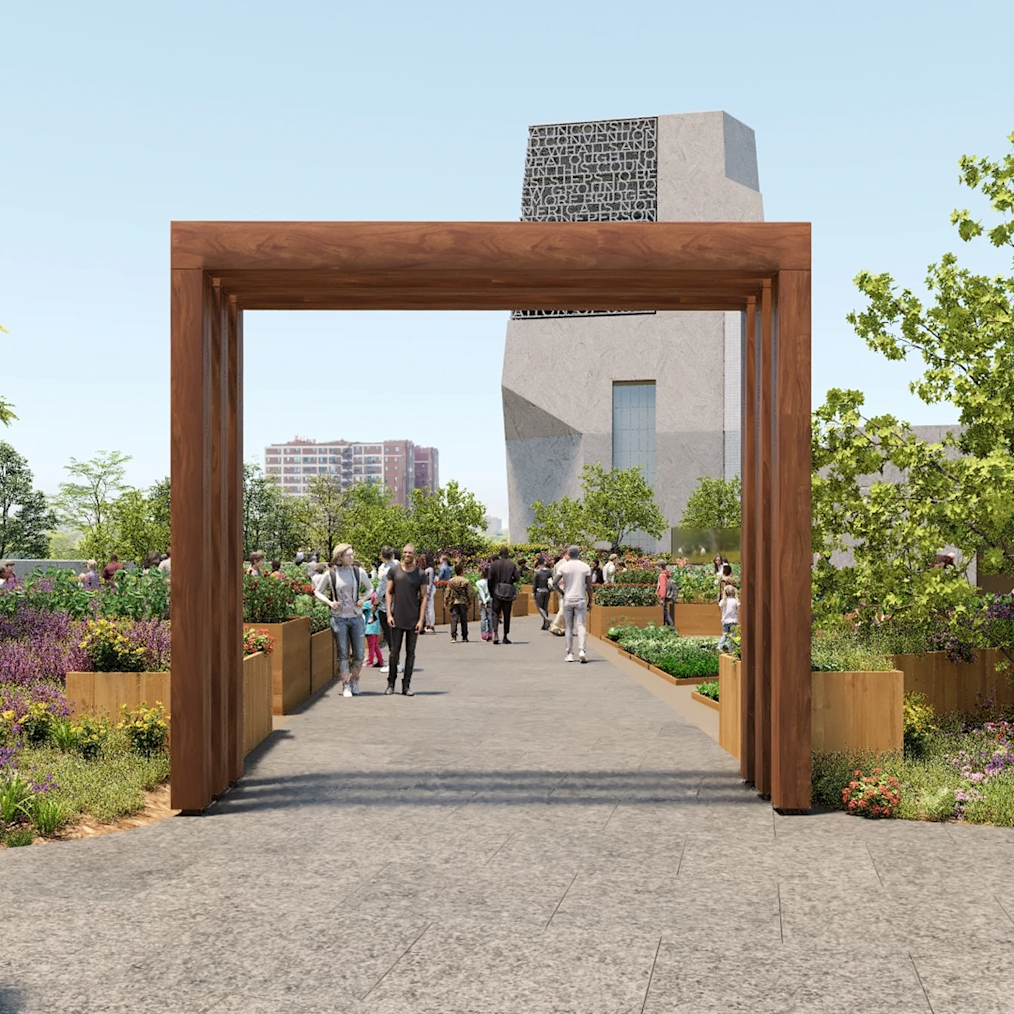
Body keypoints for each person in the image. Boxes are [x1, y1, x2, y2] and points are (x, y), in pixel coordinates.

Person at [314, 543, 372, 697]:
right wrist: (330, 602)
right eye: (349, 555)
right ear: (340, 556)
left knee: (359, 653)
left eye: (352, 554)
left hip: (356, 616)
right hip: (339, 618)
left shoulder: (358, 572)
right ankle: (345, 684)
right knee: (343, 653)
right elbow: (317, 592)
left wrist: (363, 599)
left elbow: (370, 588)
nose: (352, 557)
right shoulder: (331, 574)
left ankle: (355, 680)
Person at [385, 543, 427, 695]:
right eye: (405, 552)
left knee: (411, 652)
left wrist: (421, 620)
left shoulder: (420, 574)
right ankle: (391, 683)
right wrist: (389, 614)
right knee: (394, 652)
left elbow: (424, 597)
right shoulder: (394, 571)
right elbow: (388, 592)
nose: (407, 555)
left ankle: (406, 685)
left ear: (414, 554)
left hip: (413, 618)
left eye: (410, 553)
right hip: (397, 618)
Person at [557, 544, 593, 663]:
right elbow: (589, 586)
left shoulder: (563, 567)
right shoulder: (585, 567)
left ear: (569, 554)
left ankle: (570, 654)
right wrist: (590, 600)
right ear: (579, 554)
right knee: (581, 625)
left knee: (568, 627)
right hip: (580, 598)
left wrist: (562, 592)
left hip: (568, 598)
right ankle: (582, 651)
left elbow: (554, 582)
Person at [488, 546, 520, 644]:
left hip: (497, 591)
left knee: (495, 613)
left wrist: (491, 591)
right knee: (506, 614)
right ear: (507, 554)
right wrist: (510, 581)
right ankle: (505, 636)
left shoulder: (494, 565)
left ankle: (496, 633)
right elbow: (517, 577)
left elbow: (489, 579)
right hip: (508, 591)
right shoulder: (512, 565)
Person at [375, 546, 397, 661]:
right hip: (399, 604)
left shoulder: (385, 573)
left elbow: (380, 590)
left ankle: (394, 662)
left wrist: (374, 603)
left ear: (382, 556)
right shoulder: (398, 565)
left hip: (386, 606)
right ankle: (396, 661)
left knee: (390, 635)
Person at [446, 562, 475, 643]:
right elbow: (469, 593)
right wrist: (470, 601)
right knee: (464, 619)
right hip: (463, 602)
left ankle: (453, 636)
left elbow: (447, 592)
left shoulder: (451, 581)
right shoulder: (465, 581)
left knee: (454, 619)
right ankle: (464, 636)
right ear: (462, 571)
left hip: (454, 601)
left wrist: (446, 601)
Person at [548, 551, 568, 636]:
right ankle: (555, 625)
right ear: (566, 555)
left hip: (561, 588)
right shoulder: (562, 564)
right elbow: (560, 577)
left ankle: (562, 628)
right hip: (562, 588)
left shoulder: (560, 563)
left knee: (562, 606)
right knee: (564, 607)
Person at [364, 593, 385, 669]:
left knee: (371, 646)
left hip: (369, 629)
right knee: (375, 646)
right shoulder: (380, 606)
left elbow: (359, 606)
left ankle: (370, 661)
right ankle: (380, 660)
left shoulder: (368, 604)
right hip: (376, 629)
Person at [532, 556, 552, 630]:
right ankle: (545, 624)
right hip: (547, 590)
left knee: (539, 606)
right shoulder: (549, 571)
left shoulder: (537, 572)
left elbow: (535, 583)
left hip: (539, 591)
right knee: (545, 607)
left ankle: (546, 619)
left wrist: (533, 592)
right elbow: (551, 580)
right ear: (544, 562)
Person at [719, 585, 739, 653]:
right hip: (734, 621)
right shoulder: (735, 601)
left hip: (725, 621)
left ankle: (720, 646)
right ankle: (731, 650)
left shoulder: (723, 601)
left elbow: (720, 607)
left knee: (724, 635)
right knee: (732, 637)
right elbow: (738, 609)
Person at [475, 563, 493, 641]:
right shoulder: (491, 582)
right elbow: (490, 592)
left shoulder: (478, 583)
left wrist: (484, 601)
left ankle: (483, 634)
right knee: (490, 617)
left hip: (482, 601)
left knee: (483, 617)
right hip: (490, 600)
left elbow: (481, 592)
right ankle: (490, 633)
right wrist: (488, 599)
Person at [420, 552, 437, 633]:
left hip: (429, 589)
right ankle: (429, 624)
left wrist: (428, 592)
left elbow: (430, 582)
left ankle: (431, 625)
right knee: (427, 608)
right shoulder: (430, 569)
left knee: (429, 608)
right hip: (428, 588)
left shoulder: (430, 570)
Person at [658, 563, 676, 627]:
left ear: (660, 566)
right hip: (667, 595)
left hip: (663, 596)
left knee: (665, 613)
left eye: (658, 566)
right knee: (664, 612)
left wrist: (662, 598)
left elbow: (663, 587)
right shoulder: (667, 574)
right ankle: (667, 628)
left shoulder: (662, 575)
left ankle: (672, 627)